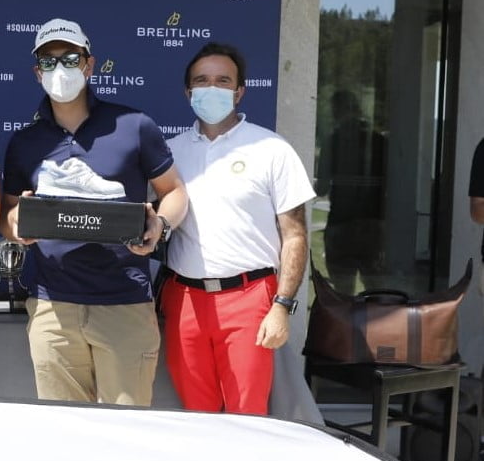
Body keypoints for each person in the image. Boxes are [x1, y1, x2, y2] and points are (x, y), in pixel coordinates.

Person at [0, 18, 188, 406]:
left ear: (89, 65)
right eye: (49, 61)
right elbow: (8, 212)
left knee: (126, 428)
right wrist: (14, 225)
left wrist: (162, 223)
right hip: (53, 306)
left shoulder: (134, 125)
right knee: (63, 430)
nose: (60, 69)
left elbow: (174, 191)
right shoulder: (24, 142)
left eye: (70, 59)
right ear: (37, 72)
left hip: (124, 303)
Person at [162, 42, 315, 415]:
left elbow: (295, 235)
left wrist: (283, 306)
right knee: (196, 416)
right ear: (188, 92)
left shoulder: (272, 149)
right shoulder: (169, 153)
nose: (211, 88)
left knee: (248, 418)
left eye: (222, 81)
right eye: (202, 81)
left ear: (239, 91)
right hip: (185, 299)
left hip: (250, 299)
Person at [315, 89, 387, 293]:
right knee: (375, 290)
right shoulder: (379, 141)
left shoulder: (332, 140)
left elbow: (322, 187)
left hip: (341, 222)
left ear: (336, 112)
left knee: (343, 292)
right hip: (373, 224)